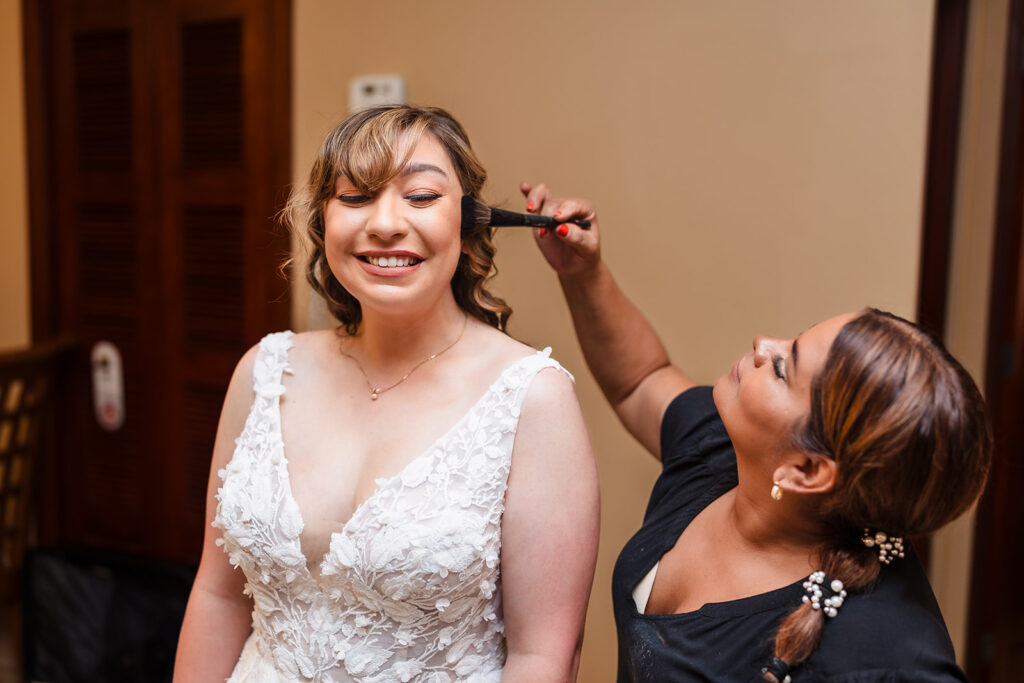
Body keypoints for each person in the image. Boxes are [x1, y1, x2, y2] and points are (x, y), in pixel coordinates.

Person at [173, 107, 599, 683]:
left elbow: (543, 656)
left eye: (421, 196)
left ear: (468, 222)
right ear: (323, 223)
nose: (385, 223)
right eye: (354, 198)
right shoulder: (266, 371)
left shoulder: (531, 399)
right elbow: (218, 595)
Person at [519, 183, 992, 682]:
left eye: (785, 368)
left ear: (806, 469)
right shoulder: (724, 454)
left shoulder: (885, 658)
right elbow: (642, 381)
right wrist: (583, 273)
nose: (763, 343)